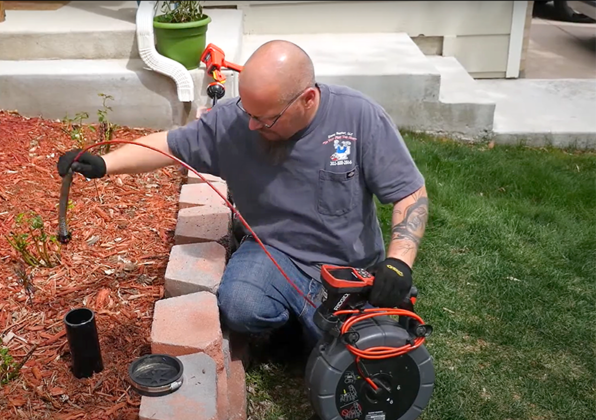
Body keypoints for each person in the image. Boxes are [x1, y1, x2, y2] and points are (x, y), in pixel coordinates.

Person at [57, 40, 429, 348]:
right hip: (275, 253)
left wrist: (399, 262)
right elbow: (167, 146)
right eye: (248, 111)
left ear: (308, 99)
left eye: (264, 118)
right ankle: (294, 324)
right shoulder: (237, 121)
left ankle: (314, 327)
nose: (251, 124)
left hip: (350, 266)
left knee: (373, 349)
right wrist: (105, 164)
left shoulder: (359, 117)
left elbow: (410, 194)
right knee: (239, 305)